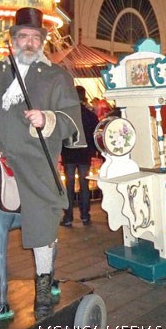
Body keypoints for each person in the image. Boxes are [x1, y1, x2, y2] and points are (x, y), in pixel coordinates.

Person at [0, 7, 86, 319]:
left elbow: (71, 119)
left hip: (34, 160)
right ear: (13, 40)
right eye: (22, 36)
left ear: (42, 41)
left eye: (34, 37)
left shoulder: (56, 75)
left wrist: (47, 118)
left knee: (41, 211)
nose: (28, 42)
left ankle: (44, 281)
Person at [60, 85, 99, 227]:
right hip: (84, 155)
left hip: (69, 153)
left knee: (69, 185)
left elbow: (61, 134)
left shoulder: (67, 114)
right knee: (84, 184)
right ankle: (85, 215)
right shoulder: (90, 115)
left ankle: (68, 216)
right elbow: (95, 134)